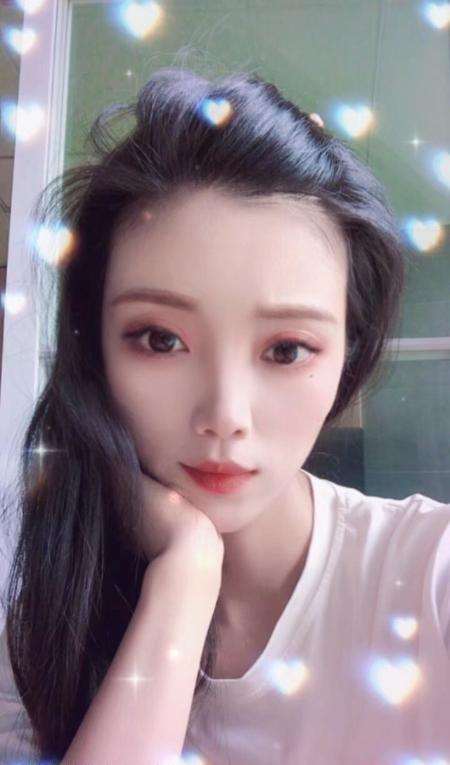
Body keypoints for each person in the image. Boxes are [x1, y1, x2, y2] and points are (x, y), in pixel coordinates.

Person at [0, 66, 449, 765]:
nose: (224, 415)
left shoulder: (430, 575)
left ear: (348, 357)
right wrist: (186, 572)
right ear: (95, 350)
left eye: (286, 349)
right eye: (160, 339)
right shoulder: (45, 633)